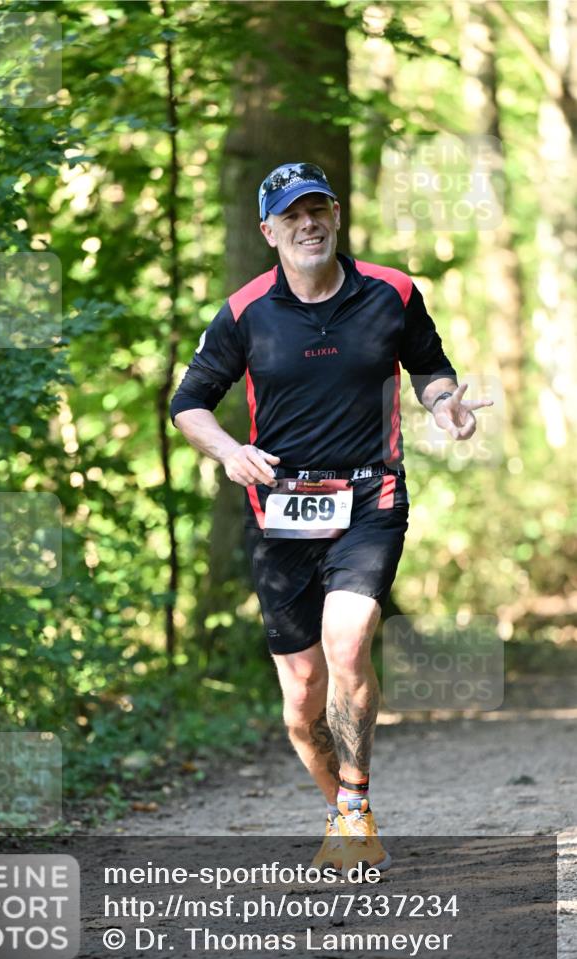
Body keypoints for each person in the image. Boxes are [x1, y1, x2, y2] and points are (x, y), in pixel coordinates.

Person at [170, 162, 492, 872]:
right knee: (302, 696)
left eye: (317, 209)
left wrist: (443, 403)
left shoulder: (392, 292)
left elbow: (430, 365)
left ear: (336, 215)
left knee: (347, 644)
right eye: (290, 215)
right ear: (268, 231)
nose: (307, 223)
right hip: (278, 511)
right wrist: (227, 452)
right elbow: (187, 403)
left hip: (369, 498)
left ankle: (352, 801)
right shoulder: (244, 310)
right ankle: (349, 816)